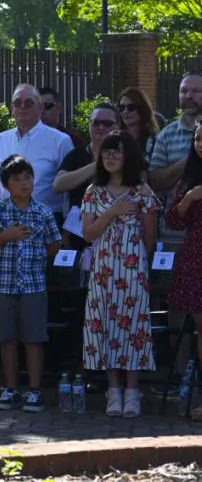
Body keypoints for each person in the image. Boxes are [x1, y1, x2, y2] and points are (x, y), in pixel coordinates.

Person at [81, 131, 158, 417]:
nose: (111, 156)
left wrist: (137, 261)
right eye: (107, 151)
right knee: (105, 324)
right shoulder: (93, 191)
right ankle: (113, 390)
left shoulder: (142, 192)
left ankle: (133, 391)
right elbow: (88, 234)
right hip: (102, 269)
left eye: (117, 151)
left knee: (134, 326)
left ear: (129, 156)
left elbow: (150, 237)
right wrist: (112, 211)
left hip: (133, 268)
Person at [0, 154, 61, 413]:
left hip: (33, 286)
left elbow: (54, 245)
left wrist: (37, 256)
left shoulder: (43, 212)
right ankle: (10, 388)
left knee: (34, 339)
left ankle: (34, 391)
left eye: (27, 177)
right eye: (17, 179)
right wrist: (5, 236)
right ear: (6, 184)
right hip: (2, 285)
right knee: (7, 339)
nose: (24, 183)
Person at [148, 72, 202, 394]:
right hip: (176, 236)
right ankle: (180, 374)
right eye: (185, 91)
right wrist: (189, 160)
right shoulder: (167, 135)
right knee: (177, 306)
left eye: (196, 90)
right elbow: (155, 181)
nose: (190, 96)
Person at [0, 84, 74, 229]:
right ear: (12, 108)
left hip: (47, 225)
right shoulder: (0, 140)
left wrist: (67, 230)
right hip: (6, 225)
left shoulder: (60, 141)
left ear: (40, 107)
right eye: (17, 103)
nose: (22, 107)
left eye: (28, 103)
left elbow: (69, 194)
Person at [164, 121, 202, 421]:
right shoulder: (189, 177)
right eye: (198, 139)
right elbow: (173, 221)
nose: (201, 144)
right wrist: (189, 198)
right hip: (195, 260)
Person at [53, 103, 119, 250]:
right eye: (96, 122)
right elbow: (58, 185)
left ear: (117, 127)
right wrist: (98, 165)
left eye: (107, 123)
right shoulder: (76, 155)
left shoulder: (126, 157)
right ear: (89, 124)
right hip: (78, 238)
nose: (101, 127)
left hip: (115, 237)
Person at [116, 87, 159, 165]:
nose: (125, 112)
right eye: (121, 108)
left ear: (142, 109)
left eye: (131, 107)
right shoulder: (115, 138)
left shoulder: (154, 140)